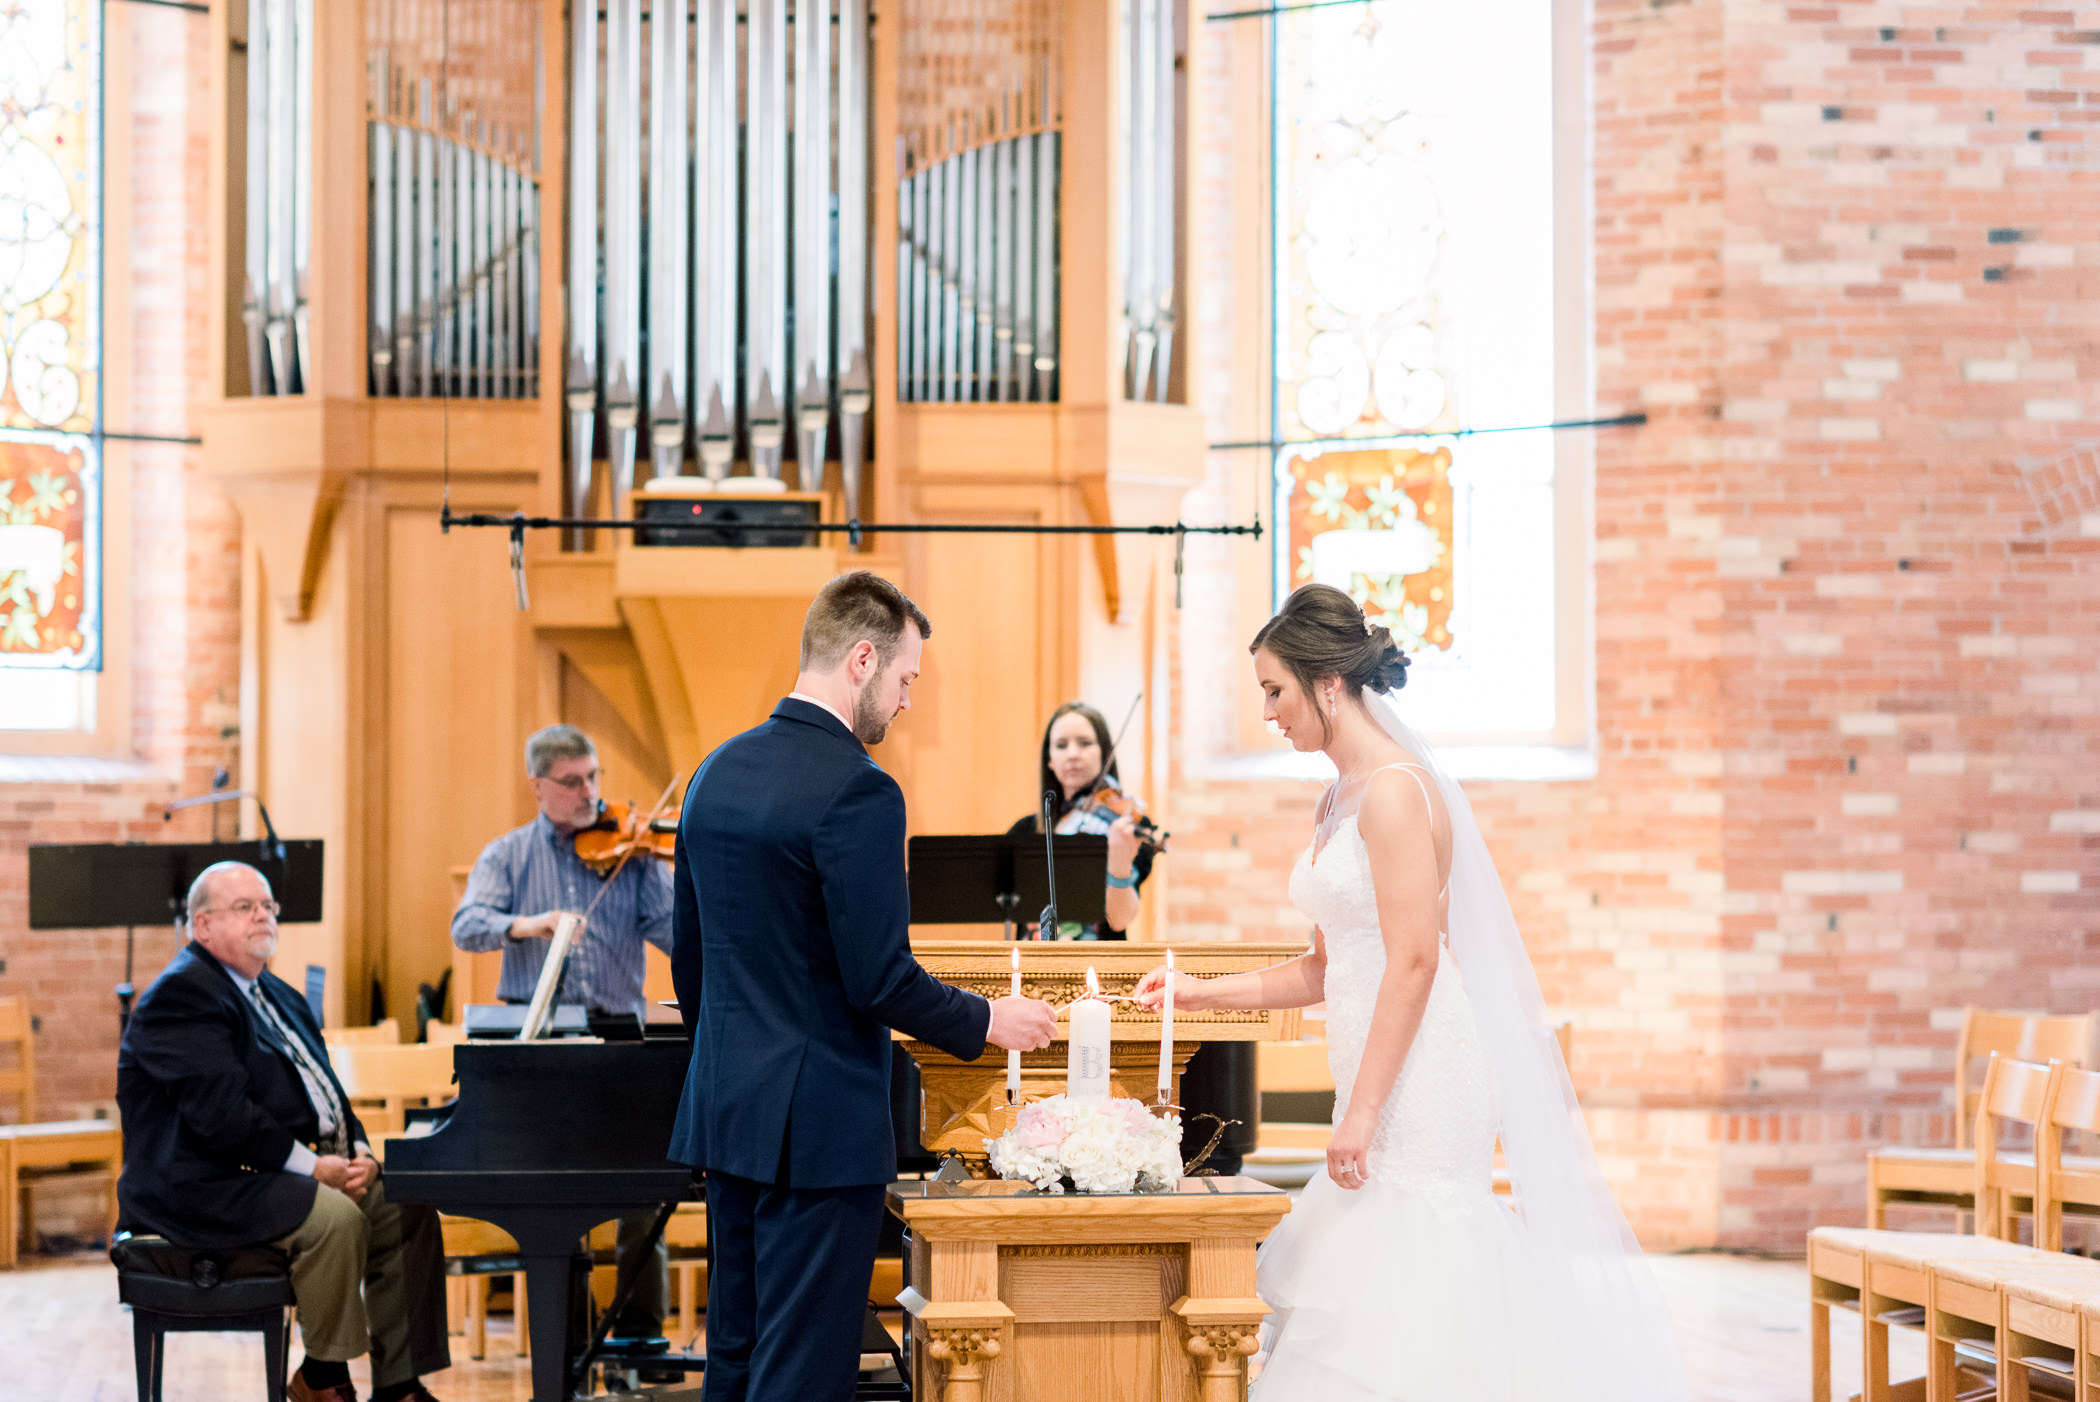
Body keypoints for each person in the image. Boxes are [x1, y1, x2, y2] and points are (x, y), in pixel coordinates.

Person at [1133, 584, 1686, 1402]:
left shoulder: (1395, 789)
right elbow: (1325, 968)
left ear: (1328, 683)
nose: (1268, 712)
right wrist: (1199, 995)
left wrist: (1362, 1110)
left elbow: (1416, 961)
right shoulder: (1335, 799)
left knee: (1420, 1261)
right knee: (1372, 1270)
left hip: (1422, 1075)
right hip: (1379, 1065)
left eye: (1274, 690)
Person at [669, 570, 1059, 1402]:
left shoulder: (712, 774)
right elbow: (879, 978)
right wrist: (990, 1018)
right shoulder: (861, 790)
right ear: (861, 659)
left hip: (725, 1116)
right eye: (907, 677)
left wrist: (735, 1066)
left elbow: (690, 960)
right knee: (802, 1374)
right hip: (818, 1130)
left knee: (733, 1356)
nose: (908, 699)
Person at [117, 861, 449, 1402]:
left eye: (268, 906)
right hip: (198, 1186)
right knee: (333, 1217)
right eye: (244, 908)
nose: (263, 917)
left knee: (403, 1202)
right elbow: (224, 1118)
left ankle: (399, 1386)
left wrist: (357, 1149)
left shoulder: (277, 994)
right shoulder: (182, 996)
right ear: (201, 926)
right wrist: (315, 1168)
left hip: (262, 1172)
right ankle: (323, 1378)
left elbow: (325, 1092)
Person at [450, 722, 674, 1348]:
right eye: (573, 782)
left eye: (595, 777)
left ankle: (638, 1340)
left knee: (641, 1191)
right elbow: (467, 926)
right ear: (538, 786)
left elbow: (680, 934)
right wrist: (531, 924)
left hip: (618, 1040)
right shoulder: (508, 855)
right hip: (538, 1043)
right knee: (556, 1200)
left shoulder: (627, 855)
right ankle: (565, 1344)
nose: (591, 794)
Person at [1006, 701, 1152, 940]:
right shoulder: (1024, 832)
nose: (1072, 754)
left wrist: (1118, 859)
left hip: (1099, 968)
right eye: (1061, 745)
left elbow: (1120, 919)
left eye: (1085, 743)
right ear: (1050, 760)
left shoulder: (1125, 826)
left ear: (1105, 753)